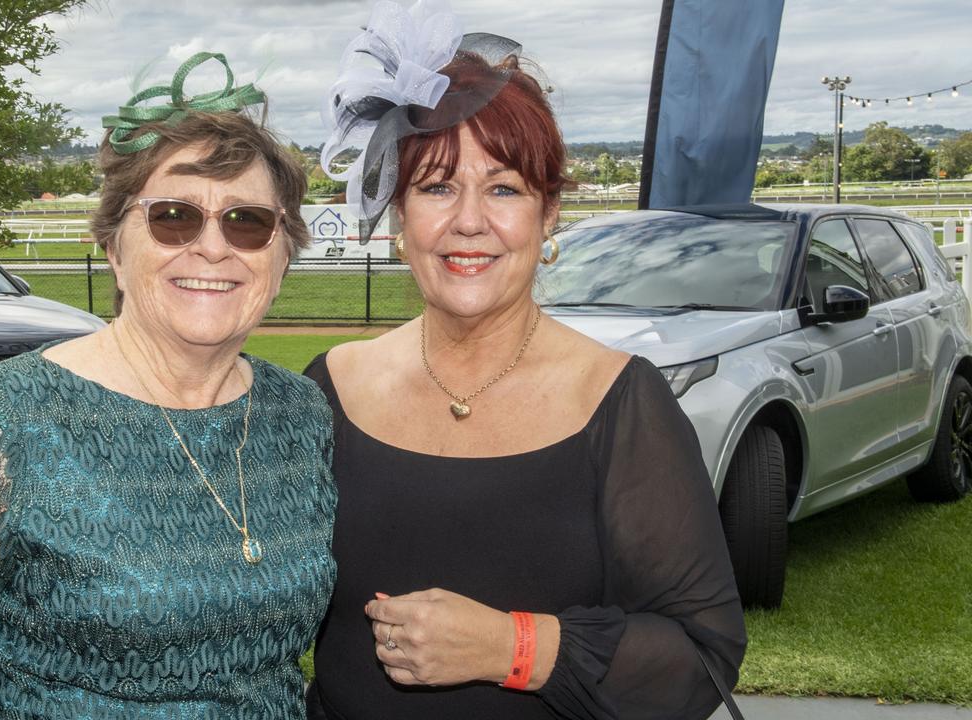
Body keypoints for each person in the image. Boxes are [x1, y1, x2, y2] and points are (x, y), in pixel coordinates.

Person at [0, 53, 336, 719]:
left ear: (282, 252)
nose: (213, 247)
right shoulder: (3, 421)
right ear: (115, 247)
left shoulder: (298, 413)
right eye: (174, 215)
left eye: (248, 221)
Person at [303, 4, 746, 719]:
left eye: (504, 188)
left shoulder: (620, 403)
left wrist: (512, 648)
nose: (469, 221)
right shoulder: (330, 388)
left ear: (548, 217)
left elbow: (703, 658)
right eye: (437, 186)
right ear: (396, 219)